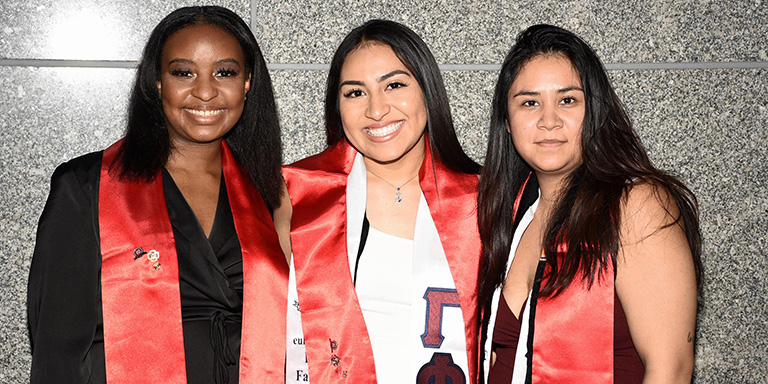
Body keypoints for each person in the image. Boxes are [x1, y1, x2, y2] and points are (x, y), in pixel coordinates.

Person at [27, 6, 290, 384]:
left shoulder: (270, 192)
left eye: (225, 72)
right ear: (157, 82)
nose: (204, 91)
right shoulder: (86, 187)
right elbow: (58, 352)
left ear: (247, 82)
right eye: (183, 72)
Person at [477, 24, 703, 383]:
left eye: (568, 100)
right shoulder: (512, 213)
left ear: (595, 110)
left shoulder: (636, 205)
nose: (548, 120)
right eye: (529, 102)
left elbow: (671, 369)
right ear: (506, 120)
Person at [282, 19, 483, 384]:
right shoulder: (297, 193)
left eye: (394, 85)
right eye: (355, 93)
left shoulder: (485, 199)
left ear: (427, 90)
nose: (376, 110)